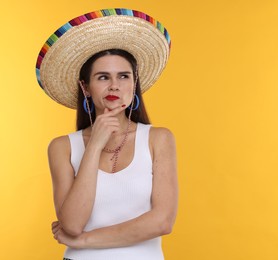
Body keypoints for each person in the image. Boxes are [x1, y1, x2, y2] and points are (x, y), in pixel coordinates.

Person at [35, 8, 178, 260]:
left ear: (134, 84)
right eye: (103, 77)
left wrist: (85, 240)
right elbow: (71, 224)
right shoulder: (62, 147)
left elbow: (162, 222)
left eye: (124, 76)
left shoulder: (159, 139)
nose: (114, 85)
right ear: (85, 87)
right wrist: (94, 146)